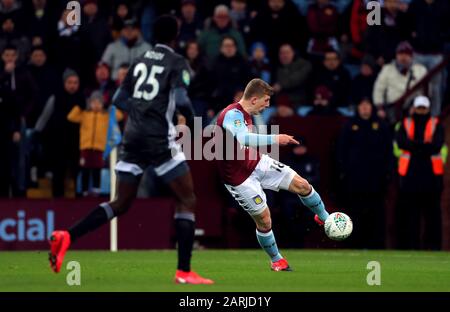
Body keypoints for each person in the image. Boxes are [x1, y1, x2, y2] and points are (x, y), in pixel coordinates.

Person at [48, 15, 213, 285]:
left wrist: (142, 113)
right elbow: (182, 99)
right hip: (159, 138)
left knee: (121, 202)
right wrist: (194, 125)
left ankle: (67, 236)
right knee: (187, 199)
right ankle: (184, 271)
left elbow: (118, 99)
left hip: (133, 136)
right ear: (176, 34)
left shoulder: (139, 61)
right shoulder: (176, 62)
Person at [215, 78, 330, 271]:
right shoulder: (232, 114)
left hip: (257, 162)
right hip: (238, 179)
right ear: (253, 99)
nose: (267, 106)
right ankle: (276, 260)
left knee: (302, 185)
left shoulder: (247, 113)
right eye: (266, 101)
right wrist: (276, 138)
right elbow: (243, 137)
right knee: (265, 219)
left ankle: (325, 218)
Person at [337, 98, 393, 248]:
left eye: (367, 105)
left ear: (372, 107)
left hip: (376, 180)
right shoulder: (349, 126)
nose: (365, 108)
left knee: (376, 214)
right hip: (355, 180)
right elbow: (341, 151)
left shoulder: (381, 125)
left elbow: (388, 151)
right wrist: (344, 172)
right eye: (362, 105)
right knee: (355, 213)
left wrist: (387, 173)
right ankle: (354, 244)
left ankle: (377, 245)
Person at [395, 95, 445, 250]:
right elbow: (401, 142)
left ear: (428, 109)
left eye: (424, 108)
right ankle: (411, 246)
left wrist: (414, 146)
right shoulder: (405, 123)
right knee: (411, 216)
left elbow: (437, 145)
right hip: (410, 177)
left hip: (432, 177)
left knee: (433, 216)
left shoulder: (437, 124)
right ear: (414, 108)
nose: (421, 111)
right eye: (419, 108)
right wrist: (424, 146)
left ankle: (433, 247)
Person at [67, 91, 123, 196]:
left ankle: (96, 190)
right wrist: (79, 106)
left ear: (102, 104)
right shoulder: (84, 114)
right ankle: (84, 191)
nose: (96, 105)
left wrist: (112, 108)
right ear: (90, 103)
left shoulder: (106, 116)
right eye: (94, 102)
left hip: (99, 148)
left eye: (99, 103)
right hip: (85, 147)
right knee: (85, 169)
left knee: (97, 169)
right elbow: (71, 117)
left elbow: (119, 117)